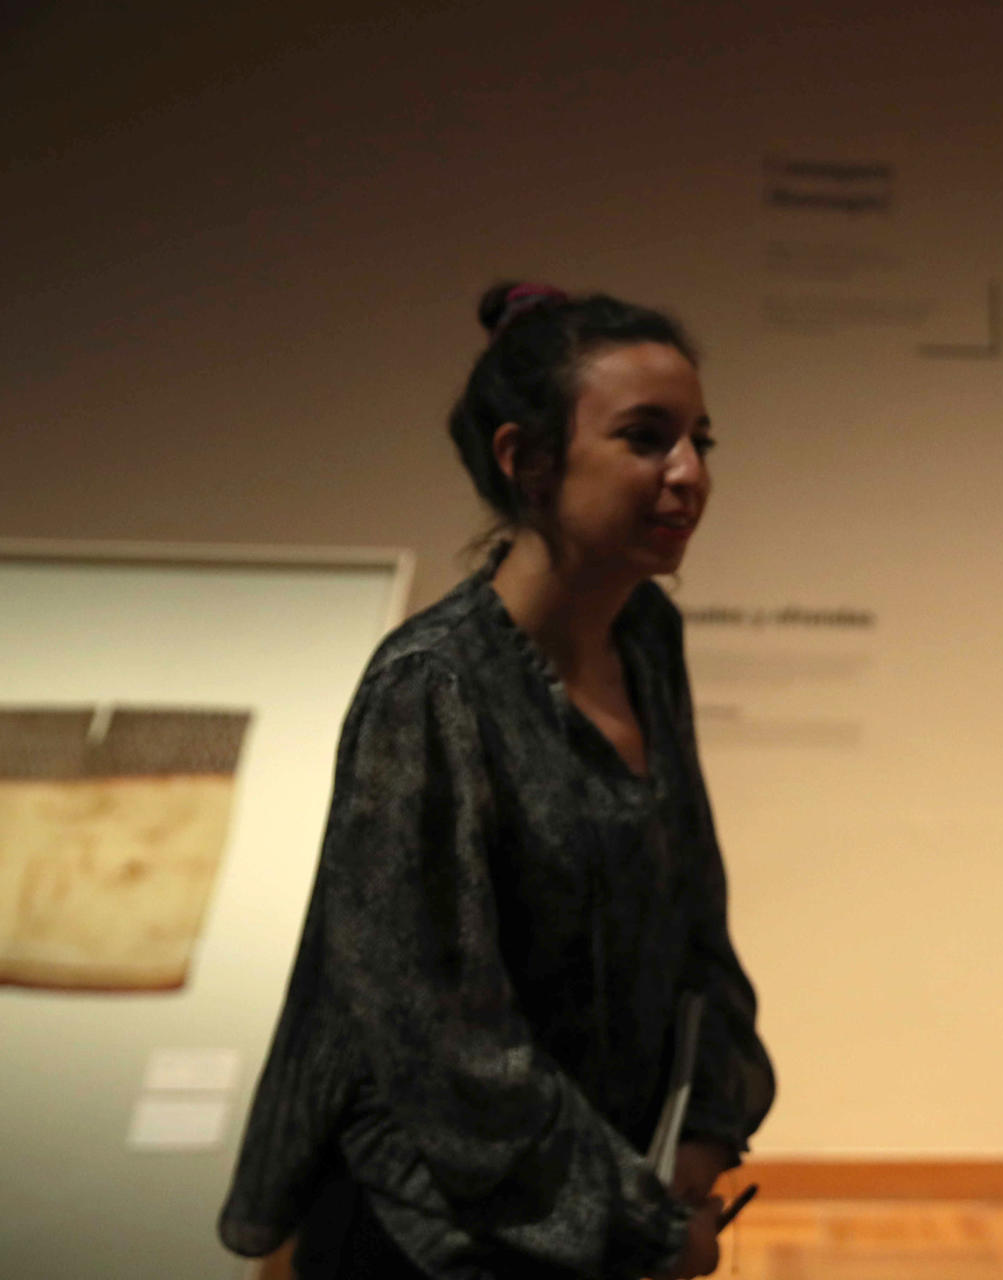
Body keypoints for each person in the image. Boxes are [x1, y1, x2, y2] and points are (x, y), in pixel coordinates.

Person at [219, 283, 775, 1279]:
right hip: (442, 1232)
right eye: (646, 437)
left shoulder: (647, 634)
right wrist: (639, 1217)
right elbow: (441, 1036)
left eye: (702, 439)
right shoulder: (432, 685)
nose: (689, 474)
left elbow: (695, 904)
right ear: (526, 459)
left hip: (605, 1201)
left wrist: (706, 1129)